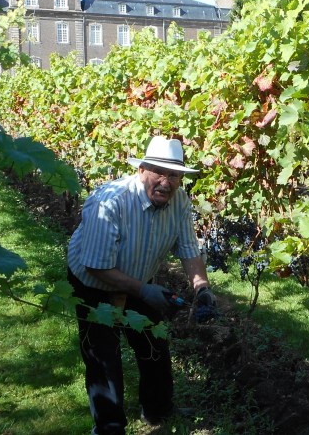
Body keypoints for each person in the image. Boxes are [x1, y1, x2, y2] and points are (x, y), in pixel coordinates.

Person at [67, 135, 216, 434]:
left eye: (174, 175)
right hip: (93, 283)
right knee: (103, 356)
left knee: (153, 342)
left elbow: (189, 249)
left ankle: (158, 409)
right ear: (141, 170)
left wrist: (202, 287)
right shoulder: (110, 202)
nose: (166, 182)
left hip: (137, 277)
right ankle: (109, 427)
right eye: (159, 172)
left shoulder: (179, 202)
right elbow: (96, 265)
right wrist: (145, 290)